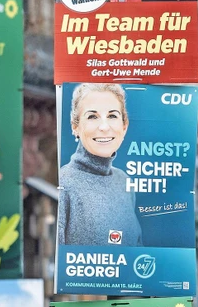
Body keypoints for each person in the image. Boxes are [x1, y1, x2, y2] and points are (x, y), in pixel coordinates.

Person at [57, 83, 142, 246]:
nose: (104, 127)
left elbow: (138, 249)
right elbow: (58, 263)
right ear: (75, 127)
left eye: (112, 116)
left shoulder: (124, 181)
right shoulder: (64, 183)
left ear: (124, 126)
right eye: (92, 117)